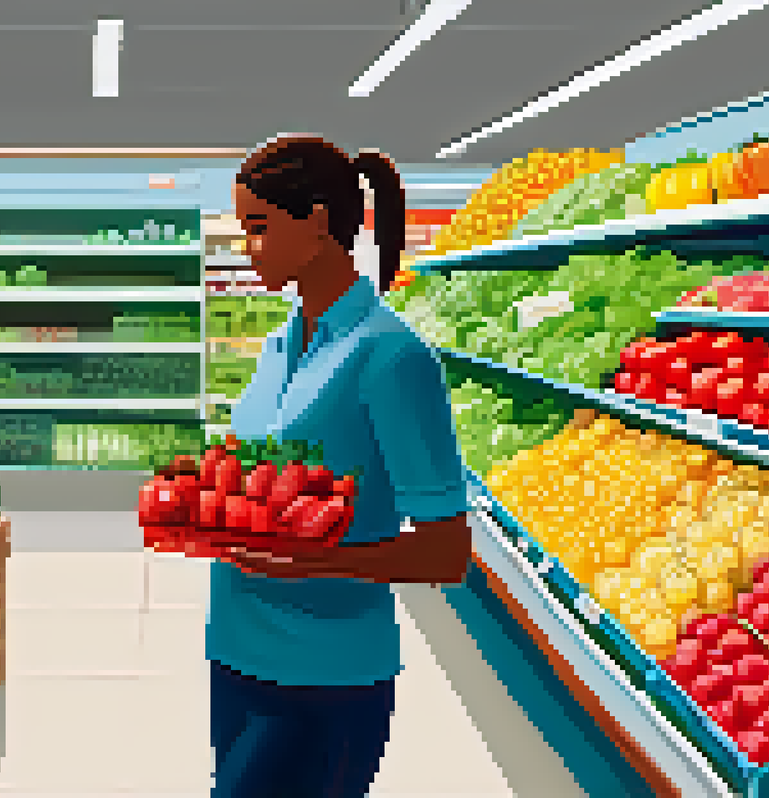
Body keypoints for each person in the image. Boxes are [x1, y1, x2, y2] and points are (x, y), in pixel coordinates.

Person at [208, 134, 475, 798]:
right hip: (236, 649)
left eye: (261, 228)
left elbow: (447, 552)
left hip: (325, 676)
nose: (249, 248)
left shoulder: (393, 359)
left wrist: (315, 561)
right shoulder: (278, 343)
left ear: (319, 223)